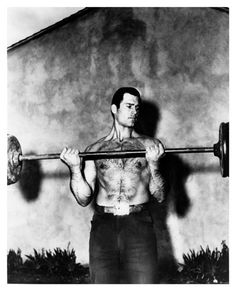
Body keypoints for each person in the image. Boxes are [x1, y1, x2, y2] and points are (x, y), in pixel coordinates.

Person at [60, 87, 166, 284]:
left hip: (138, 223)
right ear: (114, 109)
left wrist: (154, 165)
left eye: (137, 107)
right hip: (103, 226)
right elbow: (83, 199)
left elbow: (159, 195)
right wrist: (75, 168)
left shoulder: (149, 146)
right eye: (128, 106)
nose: (134, 111)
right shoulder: (95, 150)